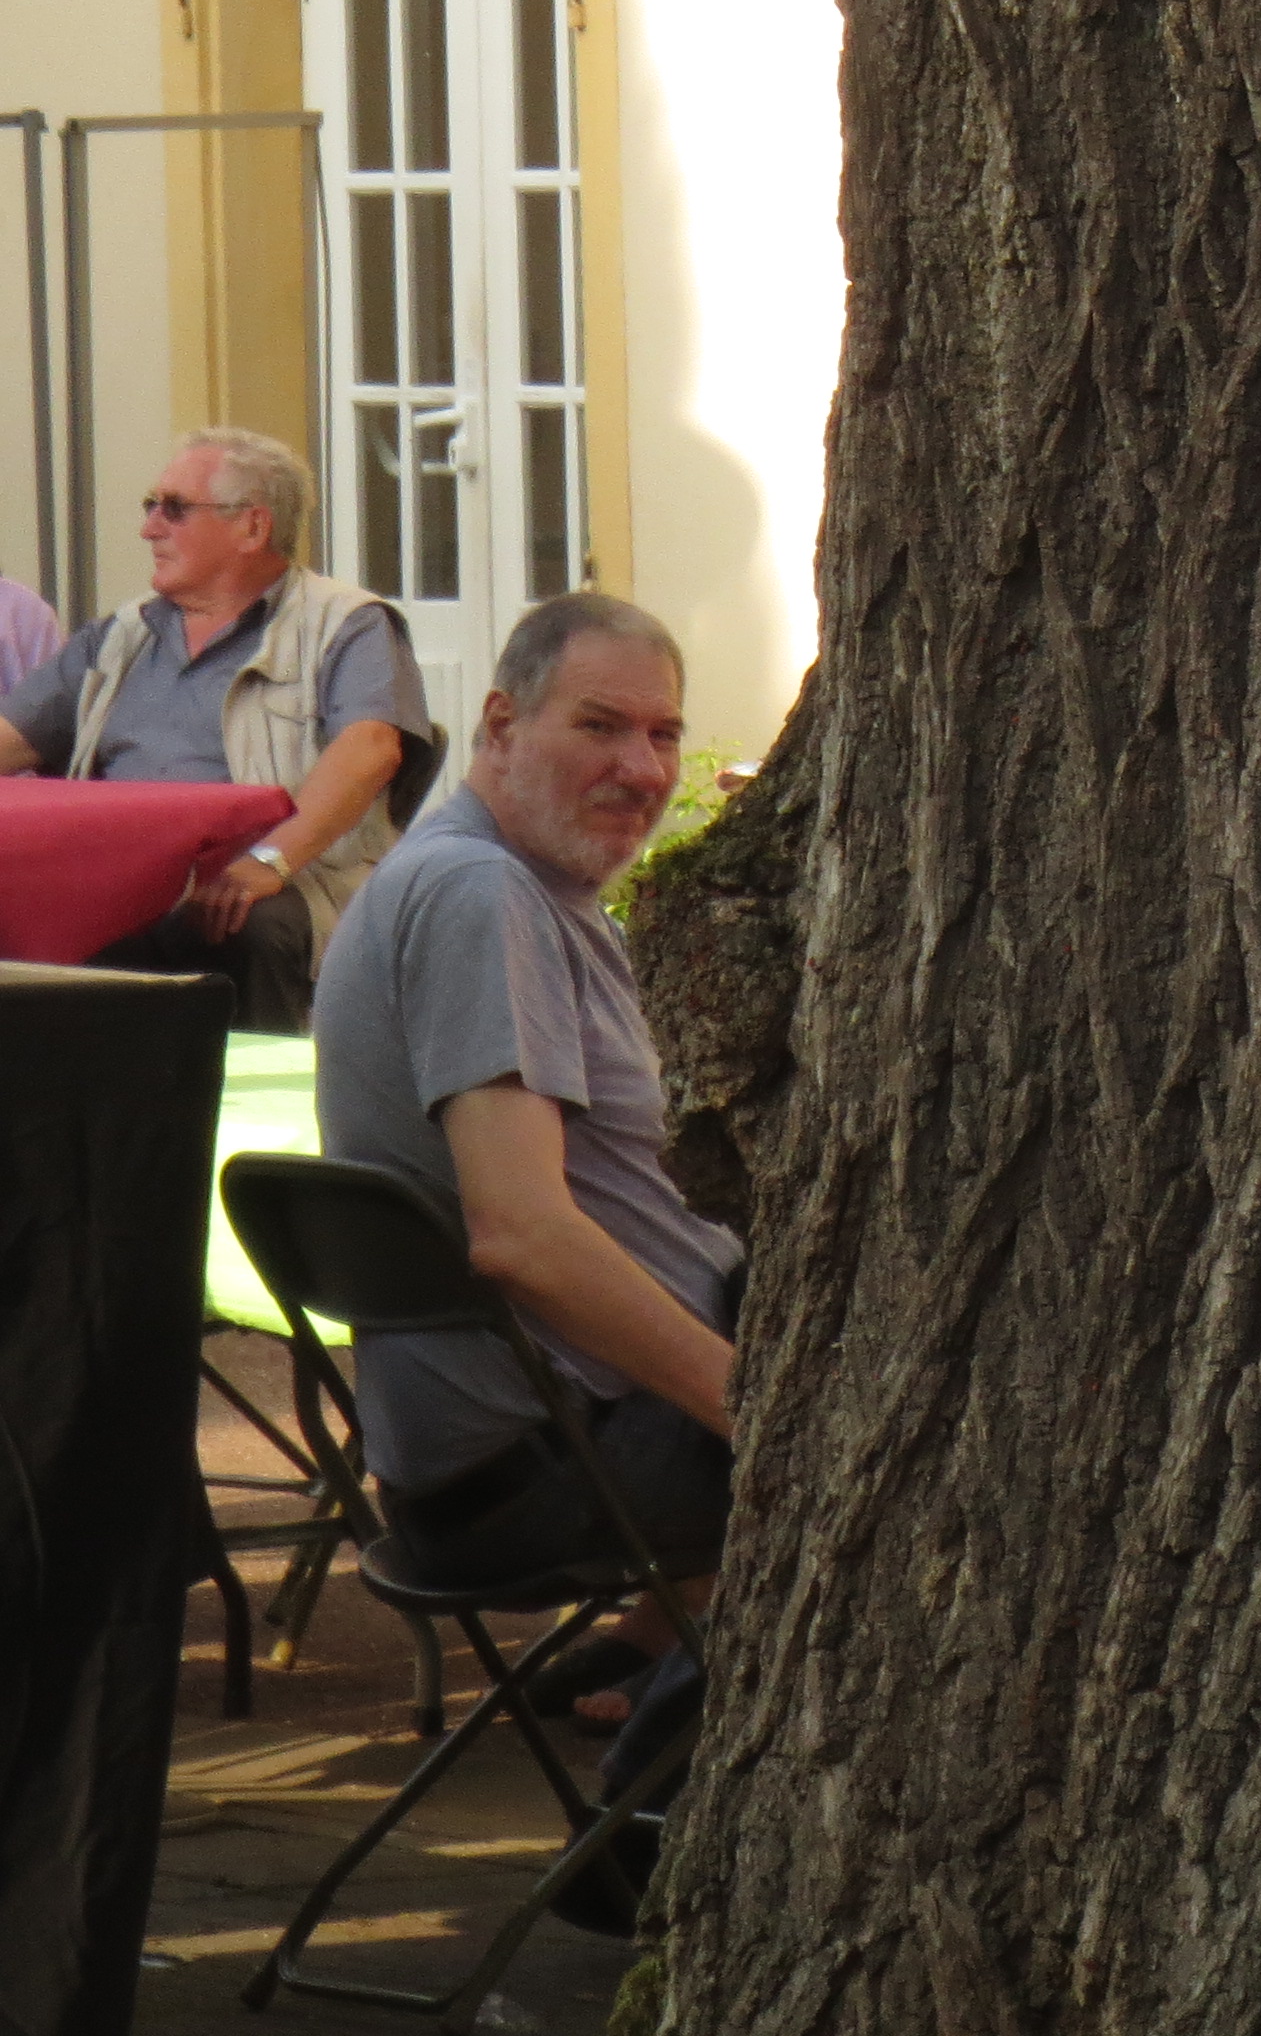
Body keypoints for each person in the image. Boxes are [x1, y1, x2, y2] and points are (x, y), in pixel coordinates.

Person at [312, 589, 733, 1600]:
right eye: (599, 727)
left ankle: (658, 1665)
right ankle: (682, 1696)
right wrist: (774, 1416)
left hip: (515, 1463)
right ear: (502, 724)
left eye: (664, 734)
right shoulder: (477, 894)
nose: (642, 770)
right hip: (545, 1477)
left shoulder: (512, 887)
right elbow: (523, 1236)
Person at [0, 426, 434, 1031]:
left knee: (249, 923)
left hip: (286, 881)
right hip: (130, 879)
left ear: (252, 528)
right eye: (150, 506)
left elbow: (370, 749)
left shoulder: (346, 625)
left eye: (173, 509)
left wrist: (270, 859)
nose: (150, 527)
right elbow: (11, 738)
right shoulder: (121, 637)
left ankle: (255, 1108)